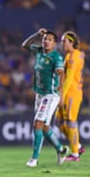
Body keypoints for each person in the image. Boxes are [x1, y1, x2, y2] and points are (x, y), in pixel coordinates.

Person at [22, 28, 69, 167]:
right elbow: (24, 45)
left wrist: (60, 90)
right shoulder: (39, 51)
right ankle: (61, 150)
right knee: (44, 127)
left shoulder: (56, 57)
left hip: (51, 94)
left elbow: (61, 72)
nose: (46, 41)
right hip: (40, 94)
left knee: (37, 123)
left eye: (49, 40)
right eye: (44, 39)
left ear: (54, 43)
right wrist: (37, 34)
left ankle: (34, 159)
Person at [55, 31, 85, 161]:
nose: (62, 43)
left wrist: (62, 94)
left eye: (64, 41)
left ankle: (75, 154)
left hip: (72, 93)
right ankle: (77, 145)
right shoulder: (70, 55)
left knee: (71, 122)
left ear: (71, 42)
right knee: (58, 121)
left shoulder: (74, 57)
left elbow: (70, 78)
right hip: (68, 91)